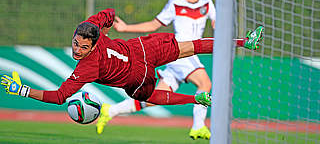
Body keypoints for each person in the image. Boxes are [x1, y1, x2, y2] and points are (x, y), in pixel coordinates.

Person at [1, 8, 264, 134]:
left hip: (139, 66)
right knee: (188, 51)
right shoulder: (91, 29)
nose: (77, 50)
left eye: (83, 46)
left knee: (183, 57)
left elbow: (59, 98)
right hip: (140, 56)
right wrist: (107, 23)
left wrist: (21, 90)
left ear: (93, 44)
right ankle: (240, 46)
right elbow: (108, 13)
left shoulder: (86, 67)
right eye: (75, 44)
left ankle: (238, 49)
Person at [99, 0, 214, 140]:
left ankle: (111, 110)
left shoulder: (207, 4)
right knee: (205, 84)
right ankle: (198, 126)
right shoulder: (175, 4)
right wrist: (125, 28)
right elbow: (154, 25)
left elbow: (218, 25)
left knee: (153, 98)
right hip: (179, 51)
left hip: (190, 54)